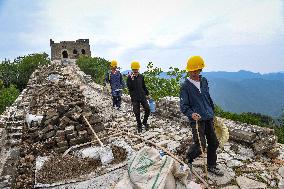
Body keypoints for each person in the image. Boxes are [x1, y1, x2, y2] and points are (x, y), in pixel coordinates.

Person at [180, 56, 224, 176]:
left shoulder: (204, 81)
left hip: (208, 117)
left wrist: (212, 112)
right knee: (200, 145)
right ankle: (188, 158)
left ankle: (211, 165)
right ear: (188, 71)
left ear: (201, 69)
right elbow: (183, 106)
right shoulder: (185, 86)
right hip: (197, 120)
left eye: (197, 70)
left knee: (214, 143)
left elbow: (207, 98)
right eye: (192, 71)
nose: (195, 73)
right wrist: (191, 114)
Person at [127, 61, 150, 133]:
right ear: (132, 69)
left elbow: (143, 86)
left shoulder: (141, 76)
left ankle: (144, 122)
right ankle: (139, 125)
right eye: (134, 69)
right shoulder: (129, 78)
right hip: (134, 98)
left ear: (138, 69)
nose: (135, 71)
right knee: (137, 112)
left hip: (142, 96)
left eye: (136, 69)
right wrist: (132, 80)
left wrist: (147, 93)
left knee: (147, 109)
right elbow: (130, 87)